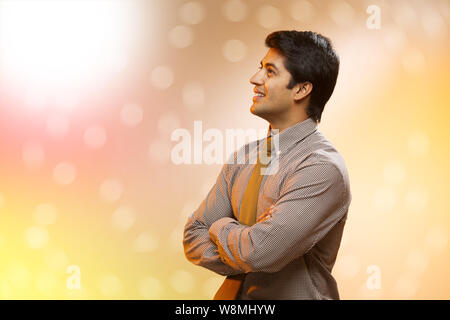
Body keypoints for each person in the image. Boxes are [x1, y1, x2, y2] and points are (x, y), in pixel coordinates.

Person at [183, 30, 352, 300]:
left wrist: (219, 227)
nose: (255, 79)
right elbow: (193, 237)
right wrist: (244, 248)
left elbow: (260, 252)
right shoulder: (244, 157)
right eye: (260, 68)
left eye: (270, 72)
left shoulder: (321, 167)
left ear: (301, 89)